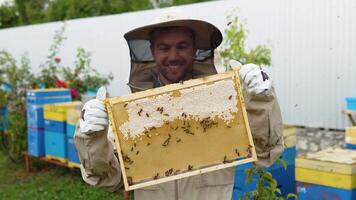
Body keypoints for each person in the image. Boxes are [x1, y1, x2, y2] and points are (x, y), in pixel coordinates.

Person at [74, 12, 283, 200]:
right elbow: (110, 179)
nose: (173, 56)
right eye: (164, 48)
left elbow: (265, 153)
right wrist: (93, 138)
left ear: (195, 50)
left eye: (182, 46)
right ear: (152, 52)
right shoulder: (133, 112)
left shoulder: (223, 103)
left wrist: (261, 101)